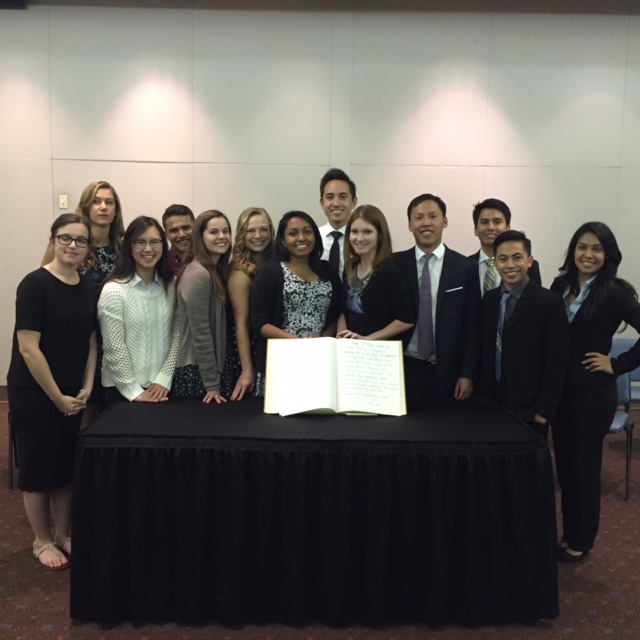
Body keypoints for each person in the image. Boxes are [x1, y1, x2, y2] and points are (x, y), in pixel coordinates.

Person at [8, 214, 97, 569]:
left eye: (80, 240)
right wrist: (56, 397)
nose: (73, 245)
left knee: (64, 465)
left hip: (74, 391)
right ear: (54, 240)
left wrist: (87, 386)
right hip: (35, 392)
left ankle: (63, 534)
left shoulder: (87, 285)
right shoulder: (34, 284)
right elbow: (29, 348)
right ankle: (41, 540)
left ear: (89, 247)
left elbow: (92, 340)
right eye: (66, 238)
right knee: (36, 467)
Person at [551, 222, 640, 563]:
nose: (588, 254)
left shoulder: (615, 292)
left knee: (585, 469)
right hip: (561, 392)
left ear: (608, 255)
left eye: (597, 249)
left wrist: (617, 365)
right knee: (567, 469)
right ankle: (568, 533)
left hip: (592, 395)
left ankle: (581, 541)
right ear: (573, 251)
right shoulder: (561, 285)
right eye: (582, 247)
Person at [41, 181, 125, 426]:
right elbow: (47, 283)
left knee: (110, 404)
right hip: (77, 334)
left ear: (116, 210)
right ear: (86, 207)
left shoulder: (123, 245)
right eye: (97, 201)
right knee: (82, 404)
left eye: (109, 203)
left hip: (115, 334)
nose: (103, 207)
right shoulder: (70, 242)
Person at [479, 230, 569, 439]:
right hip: (492, 400)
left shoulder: (548, 302)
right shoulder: (490, 300)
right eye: (502, 259)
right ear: (495, 263)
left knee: (527, 468)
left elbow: (557, 359)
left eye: (517, 257)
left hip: (530, 406)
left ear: (529, 261)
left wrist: (544, 409)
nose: (510, 265)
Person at [393, 193, 481, 404]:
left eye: (433, 216)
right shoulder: (394, 265)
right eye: (419, 217)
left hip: (449, 372)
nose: (426, 223)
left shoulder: (465, 268)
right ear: (409, 224)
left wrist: (467, 374)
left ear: (445, 221)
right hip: (404, 369)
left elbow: (473, 327)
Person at [251, 211, 342, 396]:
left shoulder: (329, 271)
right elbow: (259, 323)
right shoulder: (271, 272)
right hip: (281, 362)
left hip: (319, 361)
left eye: (307, 232)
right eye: (293, 233)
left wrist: (322, 340)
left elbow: (336, 317)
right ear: (283, 241)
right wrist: (299, 344)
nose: (301, 238)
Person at [98, 216, 179, 404]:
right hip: (121, 391)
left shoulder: (170, 286)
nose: (148, 249)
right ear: (129, 246)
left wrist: (165, 377)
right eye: (140, 242)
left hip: (162, 387)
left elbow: (177, 333)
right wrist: (134, 391)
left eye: (155, 242)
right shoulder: (114, 290)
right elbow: (113, 348)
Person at [174, 210, 231, 404]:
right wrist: (212, 384)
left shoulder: (213, 271)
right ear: (200, 237)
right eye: (214, 232)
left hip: (207, 371)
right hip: (197, 373)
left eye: (226, 231)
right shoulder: (197, 274)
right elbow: (201, 332)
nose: (222, 237)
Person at [337, 205, 414, 340]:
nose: (359, 238)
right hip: (351, 350)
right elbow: (343, 311)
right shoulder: (350, 266)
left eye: (367, 232)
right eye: (354, 231)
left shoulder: (388, 271)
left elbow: (406, 320)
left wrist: (368, 340)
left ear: (379, 235)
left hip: (377, 352)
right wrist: (342, 337)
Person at [221, 207, 274, 400]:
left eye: (263, 229)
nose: (258, 236)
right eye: (251, 231)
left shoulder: (274, 262)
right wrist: (247, 370)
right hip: (248, 349)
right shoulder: (240, 273)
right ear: (242, 234)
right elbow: (241, 323)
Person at [469, 198, 542, 295]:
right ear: (476, 230)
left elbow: (535, 302)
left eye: (497, 222)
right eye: (484, 222)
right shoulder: (465, 266)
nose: (491, 227)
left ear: (508, 228)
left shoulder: (529, 266)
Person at [318, 168, 358, 276]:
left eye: (343, 197)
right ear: (322, 203)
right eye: (330, 197)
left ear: (354, 202)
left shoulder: (362, 240)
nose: (336, 203)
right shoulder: (313, 239)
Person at [162, 204, 195, 276]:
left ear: (196, 228)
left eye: (186, 228)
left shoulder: (210, 260)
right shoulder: (160, 265)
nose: (182, 235)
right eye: (174, 230)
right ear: (166, 235)